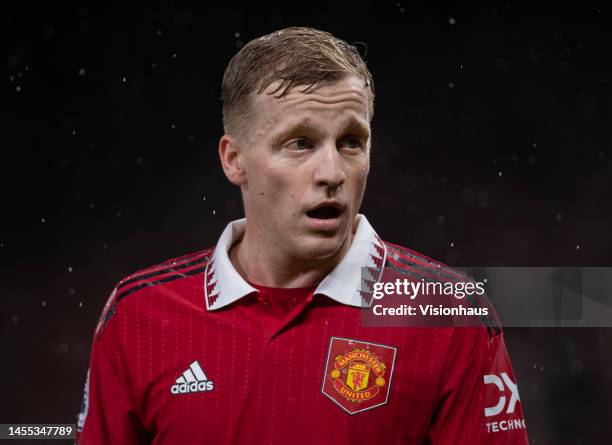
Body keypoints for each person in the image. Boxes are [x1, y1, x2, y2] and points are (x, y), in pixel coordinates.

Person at [76, 27, 529, 444]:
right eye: (300, 143)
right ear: (234, 160)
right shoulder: (139, 317)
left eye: (351, 142)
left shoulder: (447, 314)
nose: (332, 172)